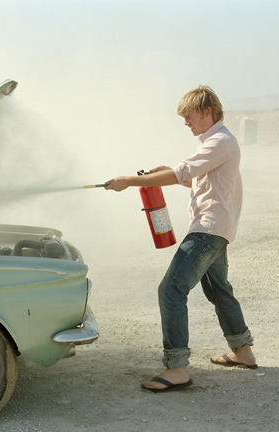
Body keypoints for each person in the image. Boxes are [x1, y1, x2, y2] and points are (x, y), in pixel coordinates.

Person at [105, 85, 256, 393]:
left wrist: (130, 181)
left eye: (189, 117)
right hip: (217, 229)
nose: (186, 123)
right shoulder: (216, 142)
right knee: (219, 289)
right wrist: (169, 173)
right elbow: (204, 184)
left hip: (208, 230)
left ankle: (177, 368)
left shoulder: (220, 142)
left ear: (207, 112)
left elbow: (182, 172)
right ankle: (243, 351)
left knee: (171, 288)